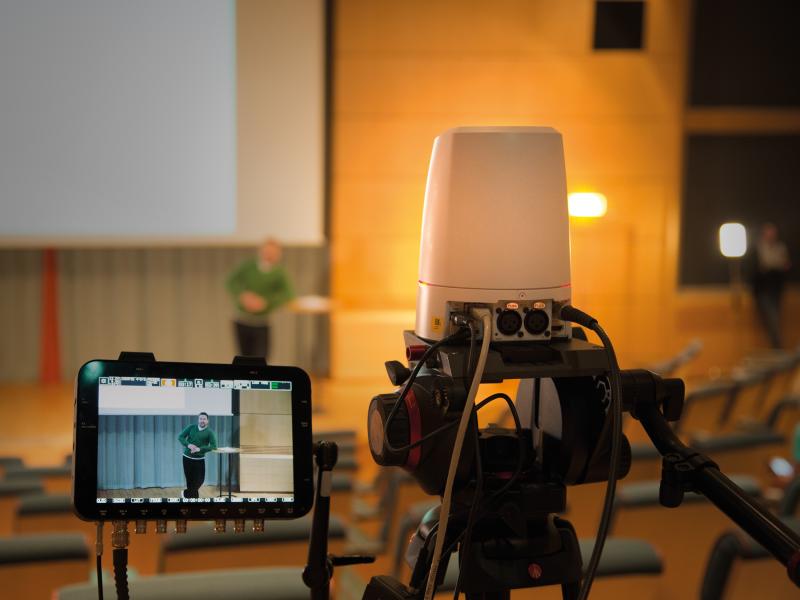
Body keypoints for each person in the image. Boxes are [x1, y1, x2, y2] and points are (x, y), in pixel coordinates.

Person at [226, 238, 295, 358]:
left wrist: (266, 303)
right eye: (267, 251)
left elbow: (288, 294)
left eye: (273, 252)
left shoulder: (279, 273)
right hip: (242, 319)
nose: (269, 255)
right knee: (244, 358)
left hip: (262, 322)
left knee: (261, 357)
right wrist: (243, 296)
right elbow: (231, 282)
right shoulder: (248, 266)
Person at [751, 223, 791, 349]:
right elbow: (760, 267)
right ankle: (777, 347)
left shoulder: (780, 247)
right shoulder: (758, 248)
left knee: (775, 317)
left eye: (773, 232)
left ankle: (777, 348)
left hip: (776, 289)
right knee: (771, 317)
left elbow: (785, 265)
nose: (771, 235)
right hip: (763, 290)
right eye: (768, 232)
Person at [178, 412, 218, 498]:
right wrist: (188, 445)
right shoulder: (191, 427)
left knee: (199, 481)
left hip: (199, 460)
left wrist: (199, 449)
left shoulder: (209, 432)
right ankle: (193, 502)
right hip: (187, 458)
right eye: (200, 419)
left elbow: (214, 446)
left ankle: (185, 494)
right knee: (190, 481)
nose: (202, 421)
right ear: (198, 420)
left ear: (207, 421)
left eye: (204, 419)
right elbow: (180, 437)